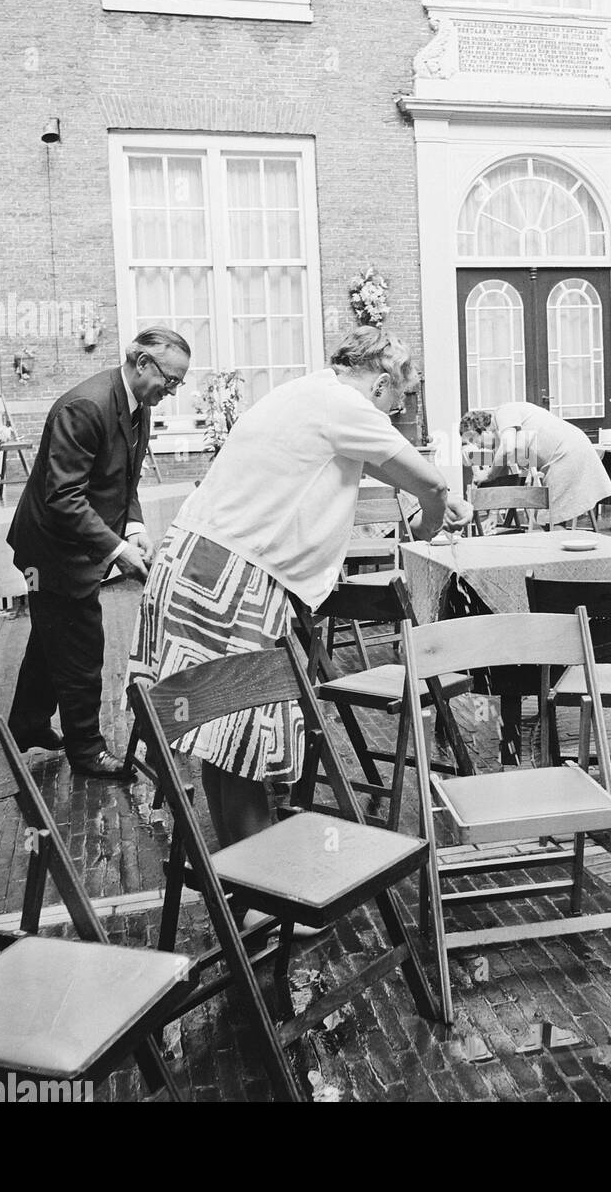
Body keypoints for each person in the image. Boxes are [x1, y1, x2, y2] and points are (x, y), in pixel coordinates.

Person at [126, 327, 472, 847]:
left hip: (194, 564)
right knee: (243, 739)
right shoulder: (346, 407)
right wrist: (431, 522)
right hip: (234, 579)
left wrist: (438, 503)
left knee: (221, 739)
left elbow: (360, 464)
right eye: (399, 402)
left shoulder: (306, 393)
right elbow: (432, 484)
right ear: (380, 384)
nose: (396, 414)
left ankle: (244, 880)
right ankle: (261, 886)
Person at [6, 327, 191, 778]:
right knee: (81, 646)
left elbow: (124, 481)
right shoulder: (85, 406)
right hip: (50, 552)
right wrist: (116, 550)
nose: (171, 391)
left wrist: (134, 526)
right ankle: (86, 751)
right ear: (141, 362)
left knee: (53, 636)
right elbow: (63, 498)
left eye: (178, 384)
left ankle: (26, 726)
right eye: (169, 380)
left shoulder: (138, 406)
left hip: (77, 544)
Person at [459, 401, 611, 529]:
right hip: (566, 452)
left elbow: (506, 449)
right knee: (551, 519)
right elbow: (506, 475)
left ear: (481, 429)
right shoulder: (507, 434)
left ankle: (564, 561)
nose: (479, 447)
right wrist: (493, 514)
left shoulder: (504, 412)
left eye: (474, 441)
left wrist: (488, 474)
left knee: (550, 520)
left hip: (567, 453)